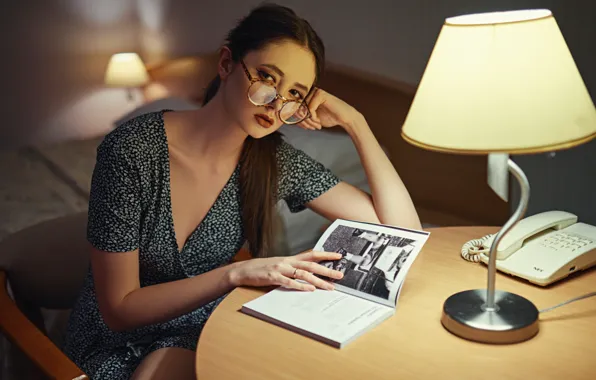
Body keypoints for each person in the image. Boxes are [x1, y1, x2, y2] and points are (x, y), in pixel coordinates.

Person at [63, 3, 421, 380]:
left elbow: (404, 233)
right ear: (225, 64)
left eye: (295, 94)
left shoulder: (273, 160)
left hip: (197, 329)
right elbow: (119, 309)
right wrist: (235, 274)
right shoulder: (132, 151)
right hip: (111, 343)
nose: (276, 104)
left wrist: (356, 123)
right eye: (267, 78)